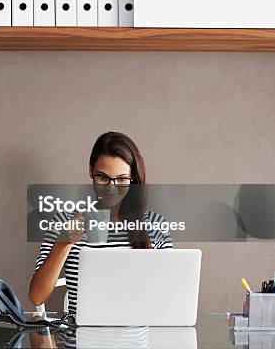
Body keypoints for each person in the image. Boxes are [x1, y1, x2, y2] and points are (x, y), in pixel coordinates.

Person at [28, 132, 173, 314]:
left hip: (137, 339)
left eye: (121, 179)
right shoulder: (64, 221)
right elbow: (36, 296)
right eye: (103, 177)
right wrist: (63, 244)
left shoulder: (155, 225)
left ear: (133, 178)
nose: (111, 188)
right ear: (91, 171)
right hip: (80, 339)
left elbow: (169, 296)